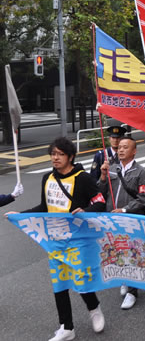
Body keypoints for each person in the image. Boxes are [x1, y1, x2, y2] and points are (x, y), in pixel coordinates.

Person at [6, 137, 106, 341]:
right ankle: (66, 327)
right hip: (55, 241)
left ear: (71, 157)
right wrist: (21, 215)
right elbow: (44, 207)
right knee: (59, 283)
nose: (55, 158)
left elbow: (100, 202)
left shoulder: (83, 178)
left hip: (78, 241)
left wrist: (85, 210)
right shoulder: (47, 178)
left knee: (80, 279)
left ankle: (94, 309)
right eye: (53, 154)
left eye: (60, 154)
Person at [98, 136, 145, 310]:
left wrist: (124, 210)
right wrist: (103, 176)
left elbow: (142, 199)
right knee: (116, 251)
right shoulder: (112, 168)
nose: (121, 150)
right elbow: (101, 192)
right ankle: (124, 279)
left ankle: (132, 292)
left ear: (134, 151)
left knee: (132, 253)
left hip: (130, 219)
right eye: (119, 147)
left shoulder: (142, 172)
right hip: (112, 219)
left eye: (125, 147)